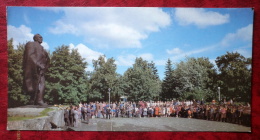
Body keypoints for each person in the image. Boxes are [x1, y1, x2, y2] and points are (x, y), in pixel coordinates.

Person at [22, 34, 50, 106]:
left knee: (37, 84)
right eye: (40, 37)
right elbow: (30, 55)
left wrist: (45, 66)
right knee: (40, 84)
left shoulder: (42, 48)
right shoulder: (31, 44)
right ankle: (39, 100)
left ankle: (33, 100)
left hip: (41, 69)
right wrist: (38, 64)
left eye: (42, 37)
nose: (41, 38)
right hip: (34, 68)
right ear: (35, 38)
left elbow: (46, 58)